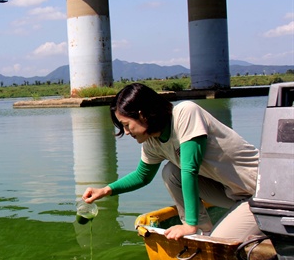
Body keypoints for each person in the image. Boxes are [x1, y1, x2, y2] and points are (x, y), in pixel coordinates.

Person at [82, 83, 262, 241]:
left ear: (142, 114)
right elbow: (142, 176)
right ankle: (203, 231)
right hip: (233, 194)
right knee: (170, 172)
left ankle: (195, 228)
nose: (126, 132)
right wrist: (105, 190)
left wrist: (188, 224)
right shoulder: (152, 141)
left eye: (127, 124)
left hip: (263, 193)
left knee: (220, 243)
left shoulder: (185, 113)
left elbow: (190, 169)